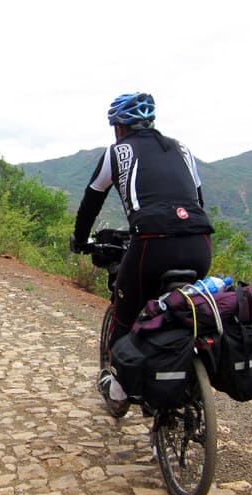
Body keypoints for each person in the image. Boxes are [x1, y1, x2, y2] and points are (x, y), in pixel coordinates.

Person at [69, 92, 214, 417]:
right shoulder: (182, 149)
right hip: (200, 243)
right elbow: (198, 201)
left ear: (119, 127)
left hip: (152, 243)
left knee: (125, 310)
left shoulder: (117, 152)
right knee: (183, 310)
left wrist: (80, 240)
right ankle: (188, 381)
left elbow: (91, 201)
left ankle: (119, 393)